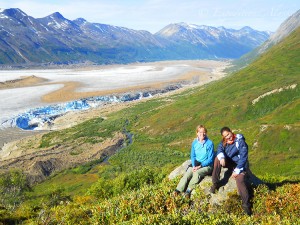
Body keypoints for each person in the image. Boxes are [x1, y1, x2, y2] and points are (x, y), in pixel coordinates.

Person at [209, 126, 252, 216]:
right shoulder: (224, 142)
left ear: (231, 131)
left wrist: (237, 170)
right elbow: (220, 148)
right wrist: (222, 157)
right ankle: (215, 183)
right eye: (225, 136)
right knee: (217, 158)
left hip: (240, 165)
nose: (228, 137)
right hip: (231, 163)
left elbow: (244, 157)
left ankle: (246, 205)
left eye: (228, 134)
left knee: (239, 180)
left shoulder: (240, 141)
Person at [173, 125, 214, 198]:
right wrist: (194, 165)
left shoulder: (209, 143)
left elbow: (210, 159)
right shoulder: (195, 143)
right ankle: (178, 190)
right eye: (200, 132)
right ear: (197, 133)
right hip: (197, 163)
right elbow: (193, 156)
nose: (202, 134)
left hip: (207, 165)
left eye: (204, 132)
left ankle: (188, 190)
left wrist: (200, 166)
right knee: (188, 172)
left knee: (197, 173)